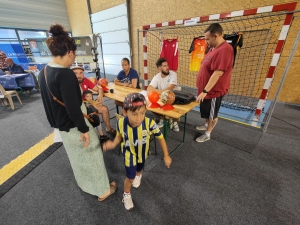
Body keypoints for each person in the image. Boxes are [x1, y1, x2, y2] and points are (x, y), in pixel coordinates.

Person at [38, 24, 117, 201]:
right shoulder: (65, 75)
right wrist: (84, 130)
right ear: (70, 52)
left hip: (60, 126)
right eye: (73, 55)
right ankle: (103, 190)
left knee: (78, 157)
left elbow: (48, 101)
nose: (73, 61)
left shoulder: (43, 71)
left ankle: (85, 184)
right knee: (93, 153)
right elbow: (73, 108)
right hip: (74, 125)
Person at [103, 92, 172, 210]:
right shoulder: (121, 123)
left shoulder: (149, 123)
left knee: (139, 169)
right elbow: (119, 135)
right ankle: (126, 194)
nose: (139, 118)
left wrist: (166, 155)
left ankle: (138, 175)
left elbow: (160, 137)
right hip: (129, 155)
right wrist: (113, 143)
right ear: (125, 112)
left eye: (142, 113)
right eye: (134, 114)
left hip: (143, 154)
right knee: (130, 178)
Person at [195, 23, 234, 142]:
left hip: (213, 91)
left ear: (215, 36)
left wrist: (205, 91)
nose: (206, 42)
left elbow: (218, 73)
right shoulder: (213, 49)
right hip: (205, 89)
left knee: (212, 114)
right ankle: (207, 124)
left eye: (207, 39)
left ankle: (208, 133)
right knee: (206, 111)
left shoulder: (225, 49)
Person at [71, 65, 116, 137]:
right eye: (75, 73)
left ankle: (108, 128)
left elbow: (99, 89)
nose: (79, 75)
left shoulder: (85, 80)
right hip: (78, 108)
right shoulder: (69, 84)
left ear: (83, 73)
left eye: (81, 73)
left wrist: (100, 94)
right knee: (92, 111)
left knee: (104, 109)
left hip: (88, 104)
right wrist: (90, 105)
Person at [147, 57, 180, 131]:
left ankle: (175, 122)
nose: (167, 67)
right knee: (150, 103)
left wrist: (158, 91)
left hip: (174, 97)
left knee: (175, 103)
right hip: (163, 98)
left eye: (167, 65)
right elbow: (149, 88)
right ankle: (162, 118)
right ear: (159, 69)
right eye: (164, 66)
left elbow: (170, 88)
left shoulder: (173, 74)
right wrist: (161, 93)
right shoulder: (157, 77)